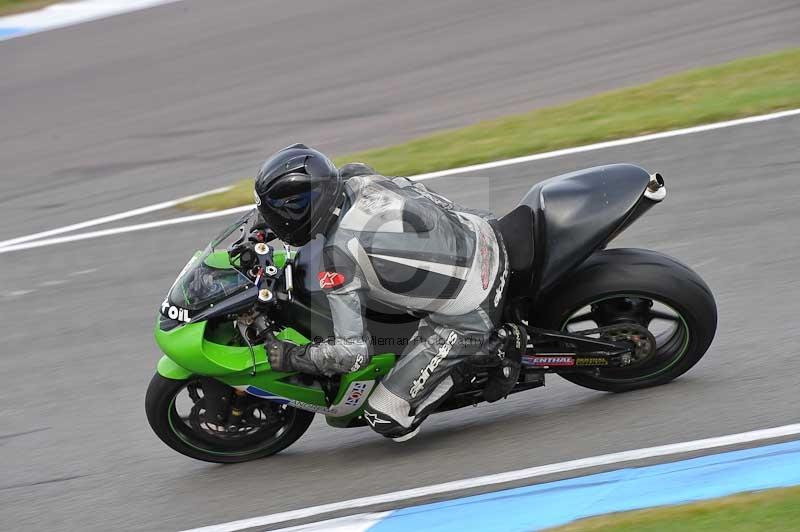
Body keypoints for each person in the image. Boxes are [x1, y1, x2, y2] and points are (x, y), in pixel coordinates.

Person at [256, 144, 526, 441]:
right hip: (479, 230)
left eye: (278, 214)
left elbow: (353, 354)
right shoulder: (356, 178)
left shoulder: (339, 257)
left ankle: (488, 353)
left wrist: (294, 357)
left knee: (384, 417)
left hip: (473, 306)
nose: (274, 219)